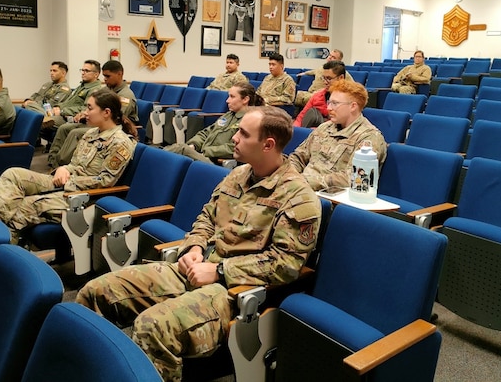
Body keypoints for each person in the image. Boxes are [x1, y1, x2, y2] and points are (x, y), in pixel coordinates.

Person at [76, 107, 321, 382]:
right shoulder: (238, 174)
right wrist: (194, 247)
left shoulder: (299, 197)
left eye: (243, 133)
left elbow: (286, 264)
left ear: (268, 145)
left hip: (231, 292)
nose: (235, 138)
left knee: (152, 326)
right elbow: (206, 217)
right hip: (195, 267)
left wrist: (219, 271)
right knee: (96, 292)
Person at [0, 89, 137, 244]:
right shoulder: (91, 133)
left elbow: (105, 181)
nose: (85, 113)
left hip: (84, 197)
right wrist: (64, 169)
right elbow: (74, 164)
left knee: (23, 205)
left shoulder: (120, 143)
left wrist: (69, 182)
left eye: (90, 108)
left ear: (106, 112)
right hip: (66, 182)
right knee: (13, 174)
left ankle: (0, 245)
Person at [289, 80, 386, 191]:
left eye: (335, 103)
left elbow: (353, 178)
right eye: (329, 102)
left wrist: (304, 181)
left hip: (329, 196)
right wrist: (289, 175)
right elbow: (299, 156)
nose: (329, 108)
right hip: (300, 187)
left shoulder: (368, 138)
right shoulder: (324, 127)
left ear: (353, 106)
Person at [47, 60, 138, 168]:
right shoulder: (107, 90)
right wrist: (84, 113)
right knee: (65, 128)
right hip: (99, 123)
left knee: (75, 132)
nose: (105, 79)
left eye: (108, 76)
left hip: (114, 128)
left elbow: (115, 117)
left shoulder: (125, 95)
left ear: (119, 74)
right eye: (104, 76)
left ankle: (62, 165)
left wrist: (89, 116)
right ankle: (53, 161)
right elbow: (93, 106)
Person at [165, 81, 263, 162]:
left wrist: (207, 151)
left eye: (232, 97)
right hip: (204, 155)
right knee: (177, 154)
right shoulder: (228, 115)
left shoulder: (250, 120)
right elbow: (206, 132)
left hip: (217, 162)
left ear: (245, 99)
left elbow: (236, 147)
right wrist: (194, 145)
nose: (227, 101)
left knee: (182, 149)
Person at [39, 59, 103, 134]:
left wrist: (62, 111)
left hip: (72, 118)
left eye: (86, 71)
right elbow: (69, 102)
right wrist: (58, 106)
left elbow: (86, 109)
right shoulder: (82, 86)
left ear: (96, 74)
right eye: (82, 70)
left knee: (38, 123)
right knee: (36, 120)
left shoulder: (95, 90)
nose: (83, 73)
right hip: (63, 115)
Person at [293, 60, 346, 128]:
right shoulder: (317, 96)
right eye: (324, 78)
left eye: (329, 78)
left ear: (341, 78)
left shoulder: (348, 100)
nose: (325, 82)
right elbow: (301, 117)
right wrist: (296, 131)